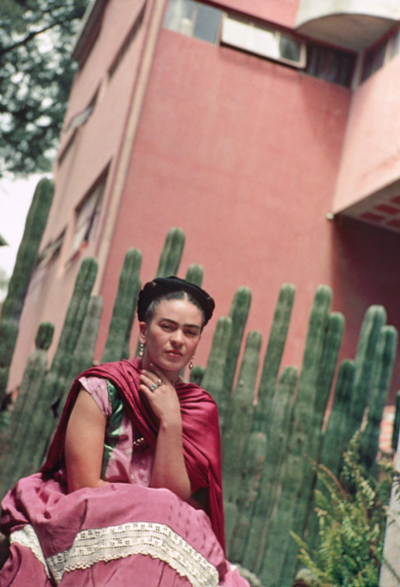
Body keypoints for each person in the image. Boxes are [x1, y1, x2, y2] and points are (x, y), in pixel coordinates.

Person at [0, 276, 249, 587]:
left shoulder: (198, 409)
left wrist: (171, 420)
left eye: (190, 332)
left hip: (161, 534)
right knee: (160, 511)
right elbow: (84, 486)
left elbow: (170, 495)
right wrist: (147, 511)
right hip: (86, 517)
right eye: (167, 326)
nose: (178, 340)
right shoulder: (102, 388)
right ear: (144, 330)